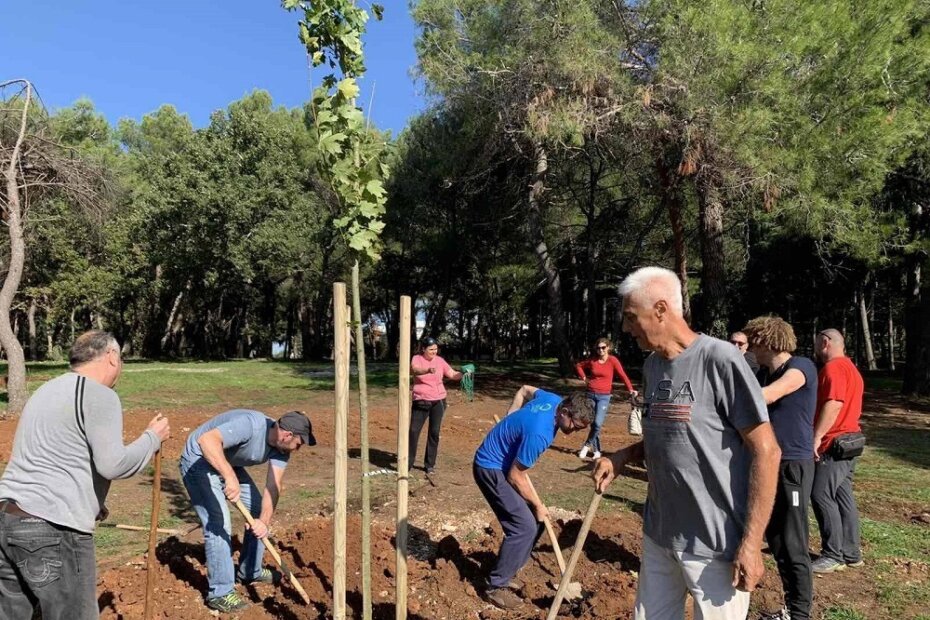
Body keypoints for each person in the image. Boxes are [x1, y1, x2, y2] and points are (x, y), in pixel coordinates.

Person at [593, 266, 781, 620]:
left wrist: (752, 543)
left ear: (661, 310)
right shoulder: (652, 367)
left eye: (631, 317)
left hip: (715, 542)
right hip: (660, 532)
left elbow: (767, 450)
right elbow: (669, 437)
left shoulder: (720, 359)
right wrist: (622, 456)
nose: (625, 327)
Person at [0, 330, 170, 620]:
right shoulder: (99, 395)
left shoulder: (46, 390)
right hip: (52, 529)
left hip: (7, 519)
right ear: (112, 357)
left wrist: (89, 500)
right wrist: (152, 438)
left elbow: (48, 457)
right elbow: (114, 465)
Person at [180, 409, 315, 613]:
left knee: (257, 509)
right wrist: (229, 476)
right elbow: (207, 441)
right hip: (198, 460)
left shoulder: (282, 450)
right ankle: (220, 593)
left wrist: (263, 521)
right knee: (219, 521)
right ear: (287, 435)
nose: (298, 449)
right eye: (299, 443)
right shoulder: (251, 425)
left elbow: (273, 486)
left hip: (225, 461)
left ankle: (250, 571)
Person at [473, 386, 594, 610]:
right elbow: (515, 476)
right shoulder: (541, 432)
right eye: (575, 426)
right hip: (490, 468)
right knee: (523, 527)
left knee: (536, 522)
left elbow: (524, 390)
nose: (574, 432)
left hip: (504, 465)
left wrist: (511, 414)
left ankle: (507, 572)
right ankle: (494, 587)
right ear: (565, 411)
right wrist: (538, 504)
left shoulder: (553, 398)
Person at [744, 316, 818, 620]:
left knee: (793, 541)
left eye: (754, 342)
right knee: (775, 538)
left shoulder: (801, 367)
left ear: (768, 342)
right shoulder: (762, 373)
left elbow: (771, 395)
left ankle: (800, 613)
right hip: (767, 463)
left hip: (793, 466)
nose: (750, 347)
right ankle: (791, 607)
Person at [810, 328, 865, 574]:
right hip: (851, 442)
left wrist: (817, 436)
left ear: (825, 342)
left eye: (815, 344)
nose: (815, 350)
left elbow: (834, 403)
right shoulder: (852, 369)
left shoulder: (833, 369)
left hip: (834, 443)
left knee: (820, 494)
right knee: (843, 496)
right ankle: (852, 553)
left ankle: (833, 554)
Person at [409, 336, 465, 474]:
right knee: (414, 432)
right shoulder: (417, 358)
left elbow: (451, 374)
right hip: (421, 400)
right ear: (423, 349)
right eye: (431, 349)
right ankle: (407, 463)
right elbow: (414, 370)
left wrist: (464, 373)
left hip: (439, 401)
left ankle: (429, 465)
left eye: (435, 349)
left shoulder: (440, 361)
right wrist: (428, 370)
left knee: (434, 433)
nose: (434, 351)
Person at [575, 337, 638, 459]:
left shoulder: (613, 360)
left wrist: (630, 389)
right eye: (598, 348)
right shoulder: (593, 361)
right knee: (593, 423)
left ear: (608, 348)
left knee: (598, 423)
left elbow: (623, 375)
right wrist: (584, 378)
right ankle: (597, 451)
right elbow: (579, 366)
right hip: (590, 394)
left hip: (604, 396)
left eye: (603, 347)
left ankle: (587, 445)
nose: (601, 350)